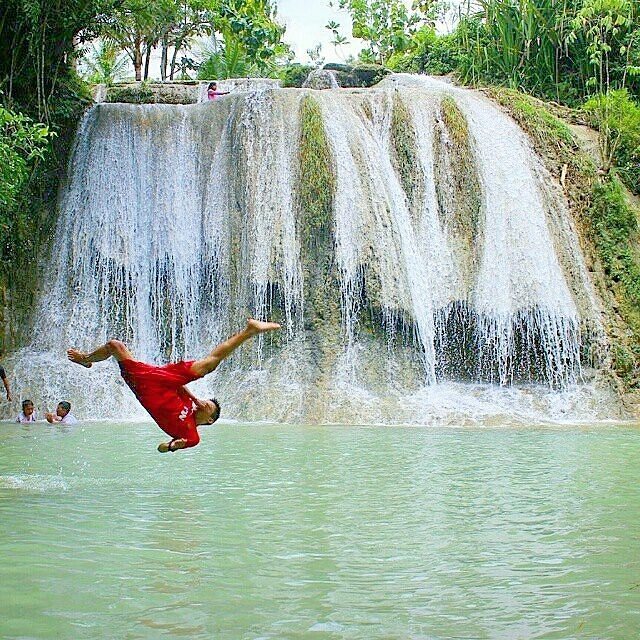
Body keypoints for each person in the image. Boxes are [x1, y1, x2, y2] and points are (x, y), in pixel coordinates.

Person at [67, 318, 280, 453]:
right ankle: (249, 330)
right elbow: (180, 388)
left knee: (115, 346)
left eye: (208, 408)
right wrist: (196, 398)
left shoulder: (192, 436)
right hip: (165, 379)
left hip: (145, 387)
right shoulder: (192, 402)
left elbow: (160, 448)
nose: (204, 405)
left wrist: (171, 446)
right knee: (208, 364)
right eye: (206, 403)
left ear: (209, 420)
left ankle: (249, 332)